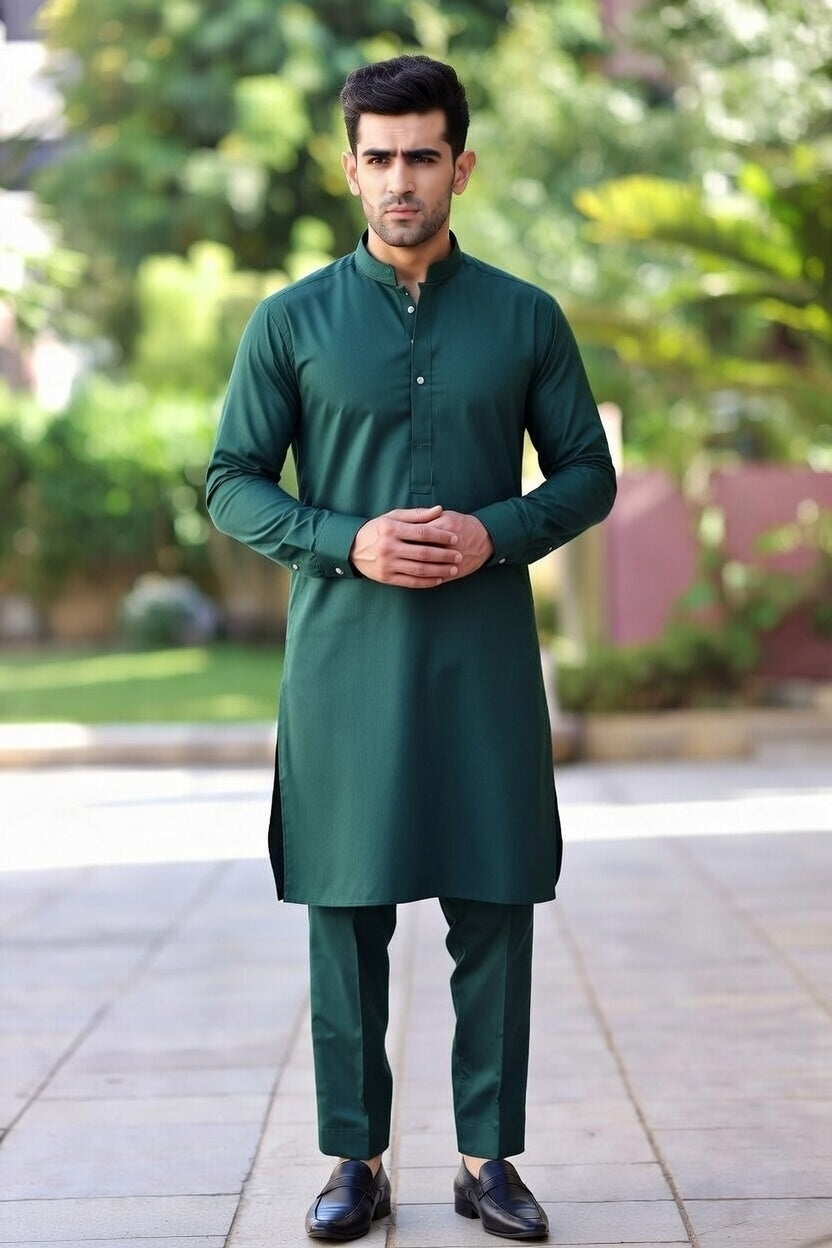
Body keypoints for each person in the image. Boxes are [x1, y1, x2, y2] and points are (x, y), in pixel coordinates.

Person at [207, 54, 616, 1242]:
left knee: (494, 903)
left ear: (461, 166)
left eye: (421, 156)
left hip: (482, 666)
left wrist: (494, 534)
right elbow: (230, 482)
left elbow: (586, 473)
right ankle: (355, 1160)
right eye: (378, 158)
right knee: (345, 913)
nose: (400, 180)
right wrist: (344, 538)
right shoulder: (290, 322)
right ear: (350, 168)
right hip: (345, 669)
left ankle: (488, 1162)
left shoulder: (525, 318)